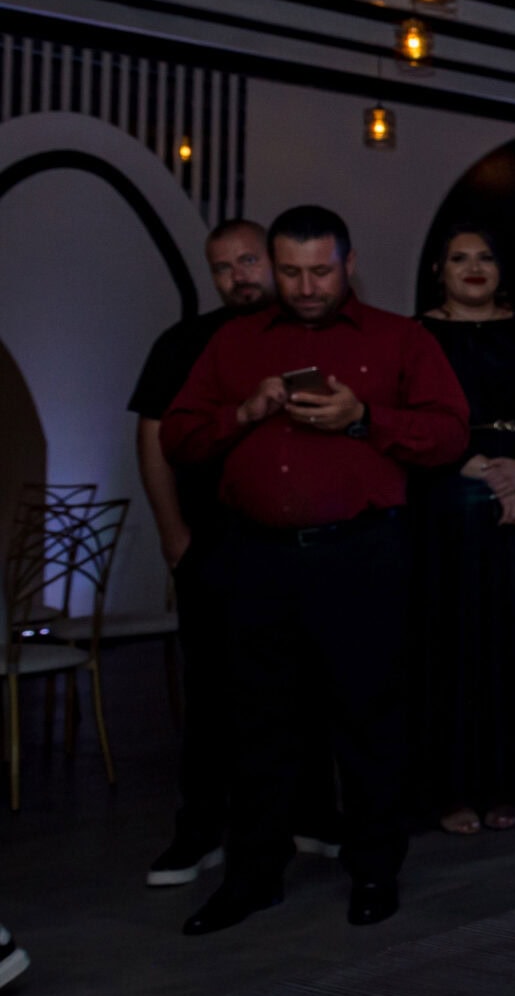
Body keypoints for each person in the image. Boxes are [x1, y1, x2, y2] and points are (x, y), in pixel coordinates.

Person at [160, 205, 470, 934]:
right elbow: (178, 437)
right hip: (256, 556)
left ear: (348, 263)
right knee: (256, 721)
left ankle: (374, 870)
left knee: (368, 717)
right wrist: (245, 411)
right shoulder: (234, 341)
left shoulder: (399, 338)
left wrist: (364, 418)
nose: (305, 287)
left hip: (361, 553)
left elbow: (450, 434)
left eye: (320, 271)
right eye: (291, 272)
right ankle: (253, 876)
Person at [414, 224, 515, 835]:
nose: (473, 267)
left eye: (485, 256)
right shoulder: (417, 335)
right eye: (459, 258)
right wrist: (483, 472)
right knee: (450, 644)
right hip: (447, 498)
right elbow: (408, 420)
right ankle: (451, 789)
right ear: (439, 269)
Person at [128, 218, 270, 887]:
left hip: (297, 542)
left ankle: (309, 816)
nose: (238, 275)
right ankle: (200, 830)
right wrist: (173, 534)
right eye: (223, 266)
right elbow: (153, 440)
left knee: (308, 684)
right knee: (211, 693)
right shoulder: (183, 343)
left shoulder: (310, 335)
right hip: (212, 541)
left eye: (249, 260)